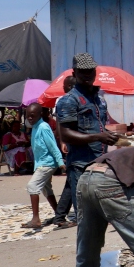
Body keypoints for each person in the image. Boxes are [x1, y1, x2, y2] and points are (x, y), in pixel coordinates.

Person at [54, 53, 120, 230]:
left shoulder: (99, 100)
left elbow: (97, 128)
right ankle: (86, 257)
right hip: (80, 165)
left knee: (101, 215)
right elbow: (66, 134)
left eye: (90, 71)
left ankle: (97, 256)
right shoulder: (69, 101)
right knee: (86, 217)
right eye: (83, 72)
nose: (87, 75)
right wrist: (99, 137)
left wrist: (110, 135)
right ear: (75, 72)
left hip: (100, 163)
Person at [21, 103, 64, 229]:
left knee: (32, 186)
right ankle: (58, 214)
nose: (30, 118)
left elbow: (53, 145)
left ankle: (35, 219)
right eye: (28, 116)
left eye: (32, 116)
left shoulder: (43, 127)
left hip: (47, 163)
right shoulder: (34, 127)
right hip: (40, 163)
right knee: (46, 189)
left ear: (40, 115)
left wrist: (60, 162)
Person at [47, 75, 77, 225]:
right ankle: (75, 215)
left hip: (72, 142)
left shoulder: (69, 99)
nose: (63, 89)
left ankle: (60, 215)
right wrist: (63, 141)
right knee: (75, 180)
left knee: (72, 180)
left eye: (65, 86)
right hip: (74, 143)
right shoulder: (64, 101)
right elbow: (62, 124)